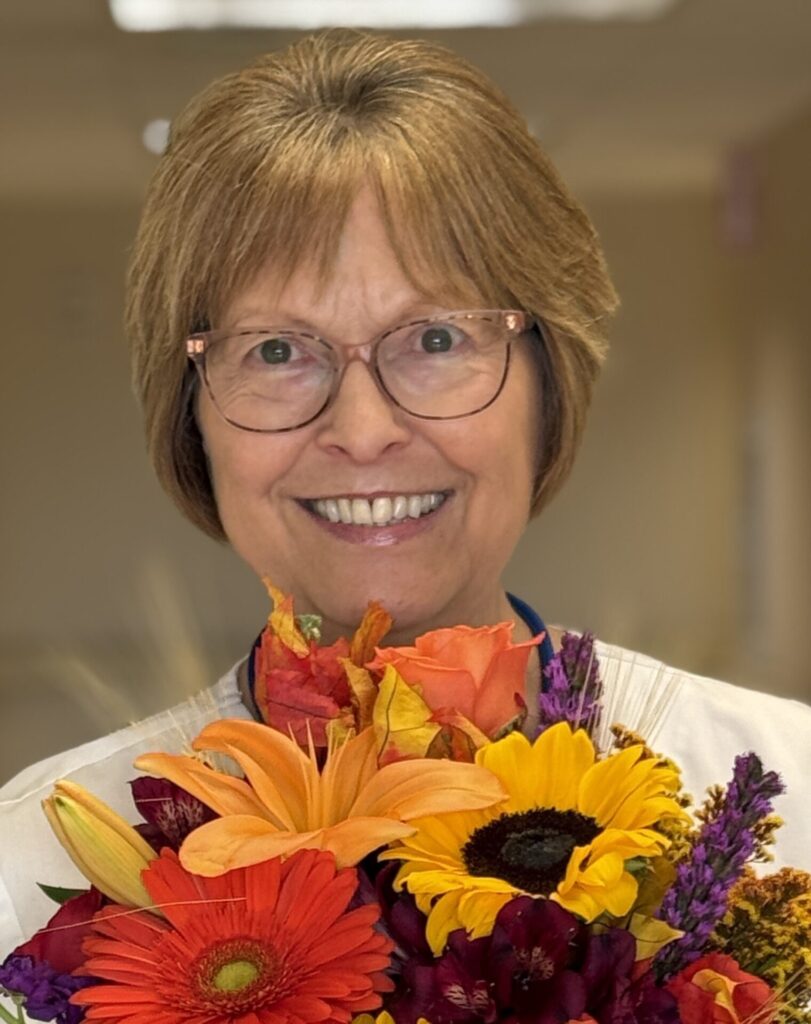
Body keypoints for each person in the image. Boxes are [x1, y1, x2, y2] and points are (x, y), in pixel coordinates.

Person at [1, 29, 808, 954]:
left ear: (550, 383)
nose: (363, 429)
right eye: (276, 350)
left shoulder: (787, 796)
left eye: (434, 339)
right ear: (191, 416)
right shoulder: (33, 876)